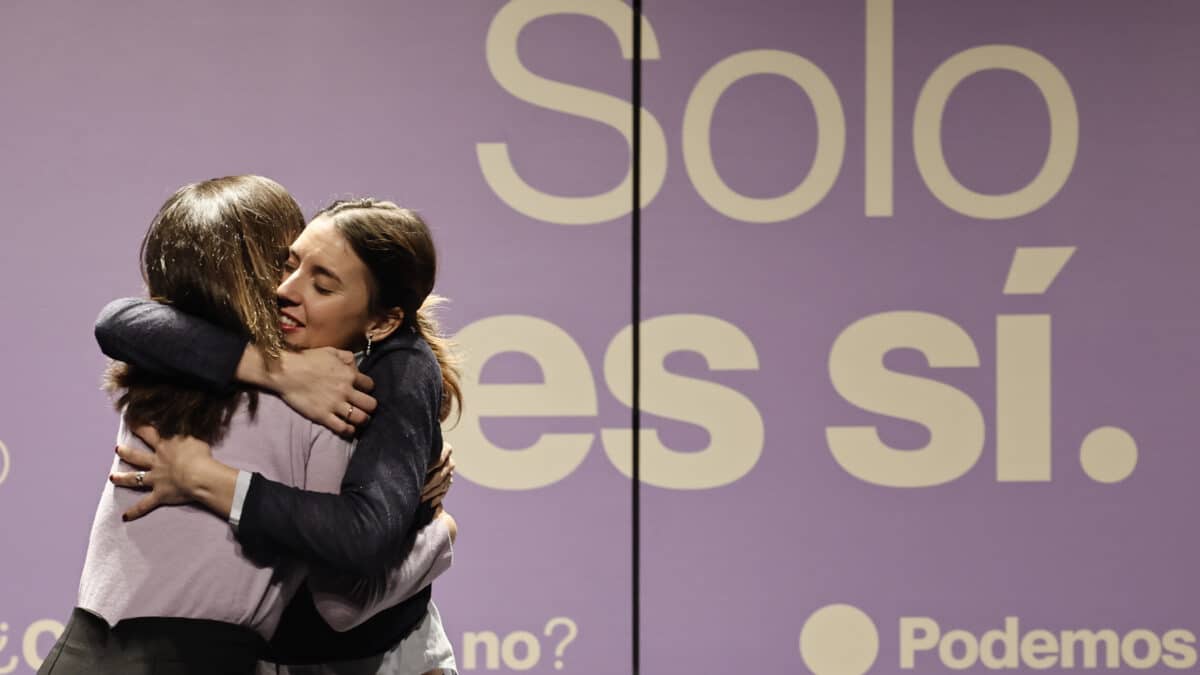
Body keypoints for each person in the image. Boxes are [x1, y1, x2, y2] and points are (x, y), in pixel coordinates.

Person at [41, 176, 454, 675]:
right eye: (287, 265)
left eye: (322, 283)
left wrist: (209, 478)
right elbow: (116, 321)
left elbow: (358, 549)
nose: (286, 289)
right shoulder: (279, 389)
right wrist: (278, 369)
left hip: (374, 653)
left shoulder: (367, 386)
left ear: (382, 320)